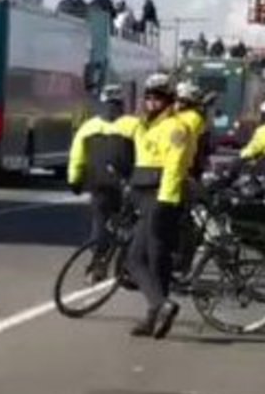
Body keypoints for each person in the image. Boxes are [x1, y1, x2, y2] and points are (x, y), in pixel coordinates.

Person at [126, 74, 191, 339]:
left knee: (134, 258)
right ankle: (154, 318)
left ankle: (161, 304)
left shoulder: (176, 127)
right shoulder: (146, 125)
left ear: (169, 100)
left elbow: (174, 166)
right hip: (145, 194)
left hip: (160, 197)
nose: (151, 102)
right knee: (156, 260)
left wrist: (166, 199)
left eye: (158, 98)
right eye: (148, 97)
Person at [67, 85, 139, 277]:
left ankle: (98, 262)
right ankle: (129, 265)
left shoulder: (88, 126)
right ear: (122, 104)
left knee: (100, 222)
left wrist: (74, 180)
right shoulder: (133, 125)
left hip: (98, 183)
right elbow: (145, 155)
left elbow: (77, 156)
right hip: (126, 183)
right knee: (131, 223)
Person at [174, 81, 209, 178]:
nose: (176, 104)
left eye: (180, 101)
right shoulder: (195, 116)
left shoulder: (192, 117)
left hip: (186, 163)